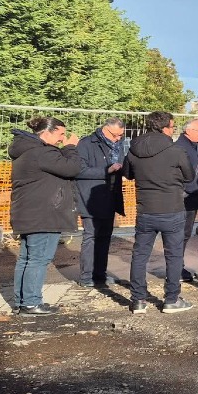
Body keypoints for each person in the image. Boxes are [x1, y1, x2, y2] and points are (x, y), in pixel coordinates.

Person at [8, 116, 83, 315]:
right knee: (38, 259)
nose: (62, 138)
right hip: (44, 215)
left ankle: (23, 302)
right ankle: (32, 303)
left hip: (29, 214)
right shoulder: (42, 153)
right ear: (47, 132)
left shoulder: (26, 151)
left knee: (27, 258)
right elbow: (72, 168)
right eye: (60, 134)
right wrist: (71, 148)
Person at [123, 112, 195, 314]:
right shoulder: (176, 151)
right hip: (172, 209)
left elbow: (127, 174)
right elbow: (189, 176)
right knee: (173, 256)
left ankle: (138, 300)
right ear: (165, 128)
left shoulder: (134, 149)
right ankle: (171, 299)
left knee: (139, 255)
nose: (173, 131)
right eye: (172, 127)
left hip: (145, 210)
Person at [73, 116, 126, 289]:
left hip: (111, 196)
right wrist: (106, 170)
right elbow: (79, 170)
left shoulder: (118, 145)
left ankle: (100, 274)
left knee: (104, 237)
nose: (119, 139)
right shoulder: (87, 143)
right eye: (116, 135)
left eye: (121, 136)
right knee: (91, 236)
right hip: (91, 198)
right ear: (106, 130)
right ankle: (87, 276)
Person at [175, 118, 198, 283]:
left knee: (185, 234)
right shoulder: (181, 148)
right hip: (185, 198)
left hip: (191, 197)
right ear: (188, 131)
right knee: (180, 235)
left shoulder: (192, 147)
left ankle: (177, 267)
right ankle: (176, 269)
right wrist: (186, 191)